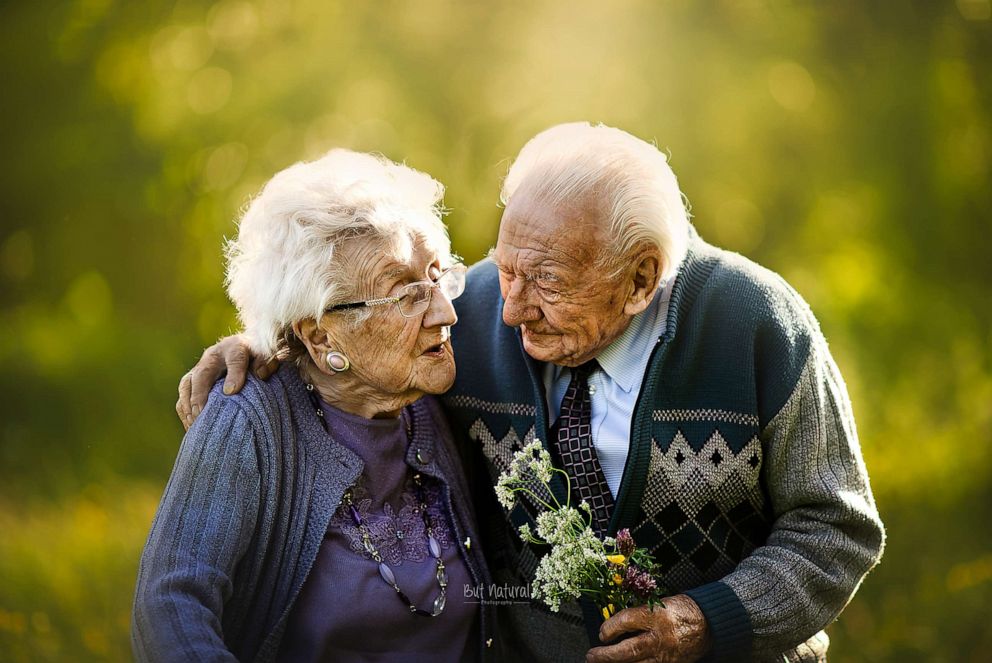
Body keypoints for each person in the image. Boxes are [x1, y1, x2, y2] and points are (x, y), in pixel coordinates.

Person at [180, 123, 885, 662]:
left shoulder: (757, 324)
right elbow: (358, 334)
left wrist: (704, 621)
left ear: (641, 279)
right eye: (503, 267)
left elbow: (836, 526)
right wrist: (268, 343)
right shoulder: (473, 310)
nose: (509, 308)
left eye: (546, 281)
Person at [134, 149, 495, 662]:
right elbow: (170, 606)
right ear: (322, 336)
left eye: (436, 277)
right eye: (406, 294)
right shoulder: (249, 417)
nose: (445, 312)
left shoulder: (437, 388)